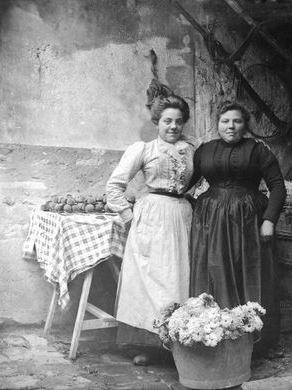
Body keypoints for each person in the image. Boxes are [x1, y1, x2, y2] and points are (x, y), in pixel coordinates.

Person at [188, 101, 287, 354]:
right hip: (211, 221)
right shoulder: (204, 151)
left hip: (248, 221)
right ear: (217, 123)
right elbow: (186, 182)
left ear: (245, 125)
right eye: (225, 121)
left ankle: (255, 341)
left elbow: (277, 186)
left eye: (237, 121)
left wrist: (269, 220)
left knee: (248, 270)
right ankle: (212, 335)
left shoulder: (258, 150)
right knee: (213, 271)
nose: (231, 126)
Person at [106, 94, 195, 365]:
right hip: (151, 216)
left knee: (177, 277)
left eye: (179, 122)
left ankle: (177, 343)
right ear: (158, 121)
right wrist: (129, 216)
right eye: (167, 121)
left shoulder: (191, 150)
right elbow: (114, 187)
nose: (173, 127)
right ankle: (147, 345)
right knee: (148, 279)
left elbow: (199, 180)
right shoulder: (144, 149)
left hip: (181, 215)